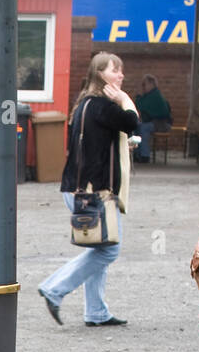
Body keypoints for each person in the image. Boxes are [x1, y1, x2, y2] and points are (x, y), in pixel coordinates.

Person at [38, 52, 138, 329]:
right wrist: (124, 99)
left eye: (121, 70)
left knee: (100, 247)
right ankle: (54, 288)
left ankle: (96, 312)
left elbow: (96, 143)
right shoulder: (103, 106)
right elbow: (132, 121)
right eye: (115, 70)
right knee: (108, 251)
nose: (121, 75)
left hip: (78, 187)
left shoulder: (85, 104)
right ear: (100, 74)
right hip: (93, 190)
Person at [133, 73, 172, 163]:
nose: (143, 87)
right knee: (135, 126)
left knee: (143, 128)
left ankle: (144, 155)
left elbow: (141, 105)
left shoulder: (155, 95)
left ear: (151, 84)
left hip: (162, 124)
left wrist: (138, 95)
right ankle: (136, 153)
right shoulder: (149, 95)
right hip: (154, 122)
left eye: (144, 84)